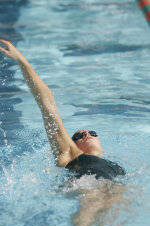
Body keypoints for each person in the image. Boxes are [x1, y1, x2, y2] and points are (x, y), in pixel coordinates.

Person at [0, 39, 125, 180]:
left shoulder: (116, 165)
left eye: (92, 132)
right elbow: (47, 104)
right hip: (91, 194)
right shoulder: (71, 154)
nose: (86, 134)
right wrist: (22, 60)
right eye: (78, 136)